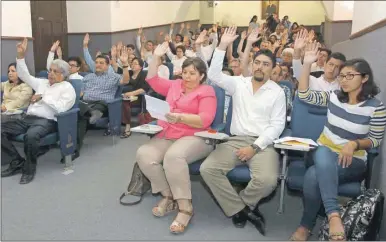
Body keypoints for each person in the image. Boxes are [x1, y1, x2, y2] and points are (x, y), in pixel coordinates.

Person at [289, 43, 386, 241]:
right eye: (342, 76)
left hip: (352, 160)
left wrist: (354, 144)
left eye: (351, 76)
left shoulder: (376, 107)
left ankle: (305, 226)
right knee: (323, 151)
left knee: (313, 176)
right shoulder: (333, 97)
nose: (344, 80)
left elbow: (375, 141)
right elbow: (304, 94)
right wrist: (307, 64)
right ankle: (334, 215)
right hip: (320, 153)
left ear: (365, 78)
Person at [200, 27, 286, 235]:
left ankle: (242, 206)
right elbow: (213, 74)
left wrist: (255, 147)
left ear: (272, 69)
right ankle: (243, 211)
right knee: (207, 169)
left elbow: (277, 125)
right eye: (257, 62)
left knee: (267, 181)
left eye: (266, 64)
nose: (260, 67)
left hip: (262, 143)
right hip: (235, 140)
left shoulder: (277, 92)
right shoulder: (238, 84)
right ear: (251, 64)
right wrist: (221, 45)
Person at [136, 42, 217, 234]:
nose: (187, 77)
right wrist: (156, 57)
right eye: (185, 72)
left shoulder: (207, 91)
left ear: (202, 76)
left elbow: (205, 120)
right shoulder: (174, 85)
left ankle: (185, 208)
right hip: (169, 133)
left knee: (174, 157)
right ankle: (169, 195)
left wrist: (180, 117)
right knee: (144, 154)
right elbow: (152, 78)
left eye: (192, 74)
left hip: (196, 136)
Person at [1, 38, 76, 184]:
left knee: (31, 136)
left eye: (55, 72)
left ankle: (29, 169)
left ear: (64, 75)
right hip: (27, 118)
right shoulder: (42, 82)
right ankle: (16, 161)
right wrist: (21, 57)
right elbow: (24, 76)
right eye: (50, 71)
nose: (51, 74)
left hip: (47, 121)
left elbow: (61, 108)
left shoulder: (67, 88)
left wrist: (43, 96)